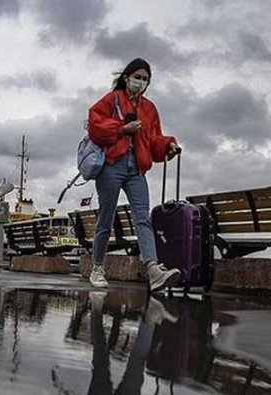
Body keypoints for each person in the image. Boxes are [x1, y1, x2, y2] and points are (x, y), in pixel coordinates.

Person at [87, 58, 181, 292]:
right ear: (126, 77)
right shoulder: (112, 100)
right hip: (111, 165)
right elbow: (95, 124)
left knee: (142, 218)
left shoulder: (149, 108)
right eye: (137, 77)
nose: (141, 82)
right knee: (105, 220)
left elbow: (154, 138)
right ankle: (97, 267)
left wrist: (168, 145)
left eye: (145, 79)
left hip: (136, 168)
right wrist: (121, 129)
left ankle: (153, 270)